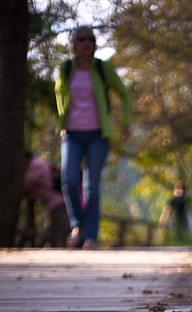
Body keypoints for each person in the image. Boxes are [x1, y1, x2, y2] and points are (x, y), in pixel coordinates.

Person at [55, 25, 132, 249]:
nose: (86, 42)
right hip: (72, 134)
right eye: (81, 39)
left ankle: (91, 235)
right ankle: (77, 225)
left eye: (90, 39)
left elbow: (123, 93)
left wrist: (126, 122)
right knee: (69, 180)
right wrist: (62, 120)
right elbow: (59, 93)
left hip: (98, 134)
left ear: (95, 44)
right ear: (74, 44)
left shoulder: (102, 68)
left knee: (91, 186)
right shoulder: (65, 68)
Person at [23, 150, 71, 247]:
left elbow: (29, 186)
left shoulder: (34, 165)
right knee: (61, 231)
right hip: (61, 201)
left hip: (57, 202)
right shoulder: (39, 163)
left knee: (59, 234)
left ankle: (62, 253)